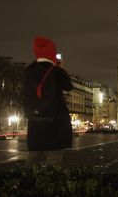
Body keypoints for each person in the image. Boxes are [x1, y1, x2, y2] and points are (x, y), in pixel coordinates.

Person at [22, 37, 73, 167]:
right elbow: (68, 86)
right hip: (54, 124)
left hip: (36, 124)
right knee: (54, 160)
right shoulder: (56, 71)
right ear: (52, 53)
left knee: (32, 159)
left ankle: (25, 185)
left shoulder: (29, 71)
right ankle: (49, 185)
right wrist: (60, 68)